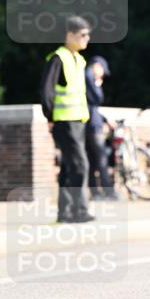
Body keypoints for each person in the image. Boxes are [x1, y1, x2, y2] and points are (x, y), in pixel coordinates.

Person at [40, 16, 94, 224]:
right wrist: (50, 116)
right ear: (69, 35)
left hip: (78, 121)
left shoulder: (79, 60)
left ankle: (65, 212)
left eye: (88, 35)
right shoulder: (58, 58)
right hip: (63, 122)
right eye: (82, 35)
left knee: (69, 166)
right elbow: (46, 90)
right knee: (81, 164)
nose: (86, 39)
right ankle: (79, 210)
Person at [85, 56, 119, 200]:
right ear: (97, 66)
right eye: (102, 71)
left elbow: (92, 106)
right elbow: (97, 99)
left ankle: (96, 193)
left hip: (87, 124)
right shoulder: (88, 77)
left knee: (92, 161)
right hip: (92, 126)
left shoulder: (84, 77)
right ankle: (109, 192)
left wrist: (105, 119)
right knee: (101, 160)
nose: (103, 75)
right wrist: (97, 85)